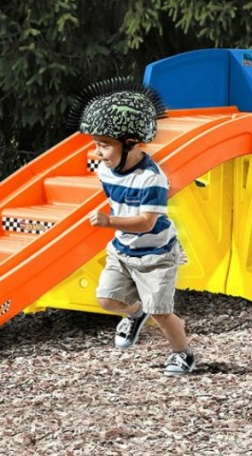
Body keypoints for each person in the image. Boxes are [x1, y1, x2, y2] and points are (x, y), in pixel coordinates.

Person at [73, 79, 194, 376]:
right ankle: (135, 314)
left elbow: (146, 222)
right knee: (107, 299)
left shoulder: (151, 179)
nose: (98, 152)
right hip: (123, 250)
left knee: (161, 313)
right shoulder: (105, 171)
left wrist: (109, 221)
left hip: (156, 255)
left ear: (130, 144)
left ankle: (183, 353)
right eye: (96, 144)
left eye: (104, 145)